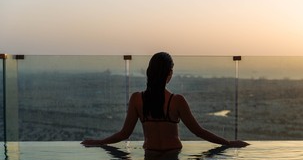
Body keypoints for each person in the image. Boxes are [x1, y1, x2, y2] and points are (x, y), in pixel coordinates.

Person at [81, 52, 249, 150]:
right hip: (173, 156)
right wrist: (228, 143)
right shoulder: (177, 101)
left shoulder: (136, 99)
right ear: (169, 74)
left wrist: (98, 142)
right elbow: (198, 131)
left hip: (150, 156)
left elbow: (124, 134)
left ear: (149, 72)